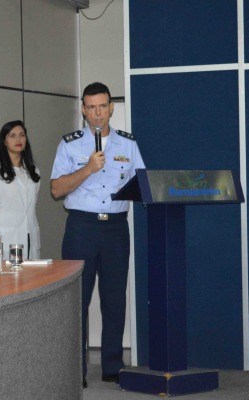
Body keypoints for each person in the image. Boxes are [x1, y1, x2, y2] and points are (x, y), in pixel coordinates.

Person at [50, 82, 145, 388]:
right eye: (91, 107)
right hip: (82, 227)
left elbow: (142, 184)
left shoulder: (128, 144)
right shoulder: (70, 144)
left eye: (102, 106)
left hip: (116, 228)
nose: (97, 113)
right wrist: (88, 169)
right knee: (78, 299)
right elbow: (56, 189)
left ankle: (113, 365)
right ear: (83, 109)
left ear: (111, 108)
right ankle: (75, 368)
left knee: (115, 299)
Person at [0, 120, 41, 260]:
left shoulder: (33, 170)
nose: (18, 139)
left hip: (29, 236)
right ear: (4, 141)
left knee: (32, 279)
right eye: (12, 136)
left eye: (22, 135)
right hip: (5, 239)